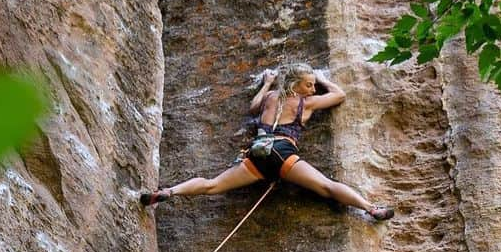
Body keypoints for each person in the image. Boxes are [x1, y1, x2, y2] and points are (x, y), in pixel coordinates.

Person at [140, 62, 394, 220]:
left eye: (314, 85)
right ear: (295, 85)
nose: (313, 89)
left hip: (258, 153)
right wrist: (323, 78)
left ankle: (169, 191)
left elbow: (253, 108)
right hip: (283, 151)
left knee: (212, 185)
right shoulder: (305, 103)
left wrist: (267, 83)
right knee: (326, 187)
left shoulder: (270, 97)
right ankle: (371, 208)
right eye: (309, 84)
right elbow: (340, 95)